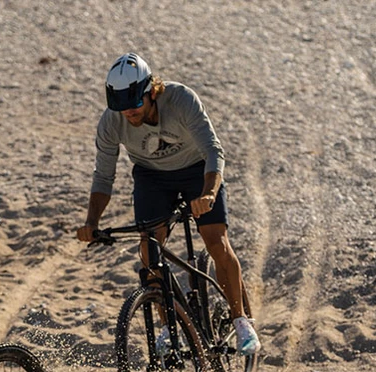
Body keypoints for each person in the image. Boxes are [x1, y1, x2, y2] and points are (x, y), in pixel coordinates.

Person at [75, 53, 261, 356]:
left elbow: (213, 151)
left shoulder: (181, 99)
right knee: (150, 250)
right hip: (152, 177)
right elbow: (103, 176)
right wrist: (92, 223)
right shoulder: (112, 122)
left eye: (135, 105)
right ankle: (168, 326)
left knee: (216, 241)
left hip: (196, 170)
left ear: (151, 92)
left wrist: (209, 194)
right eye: (121, 109)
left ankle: (242, 322)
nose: (129, 114)